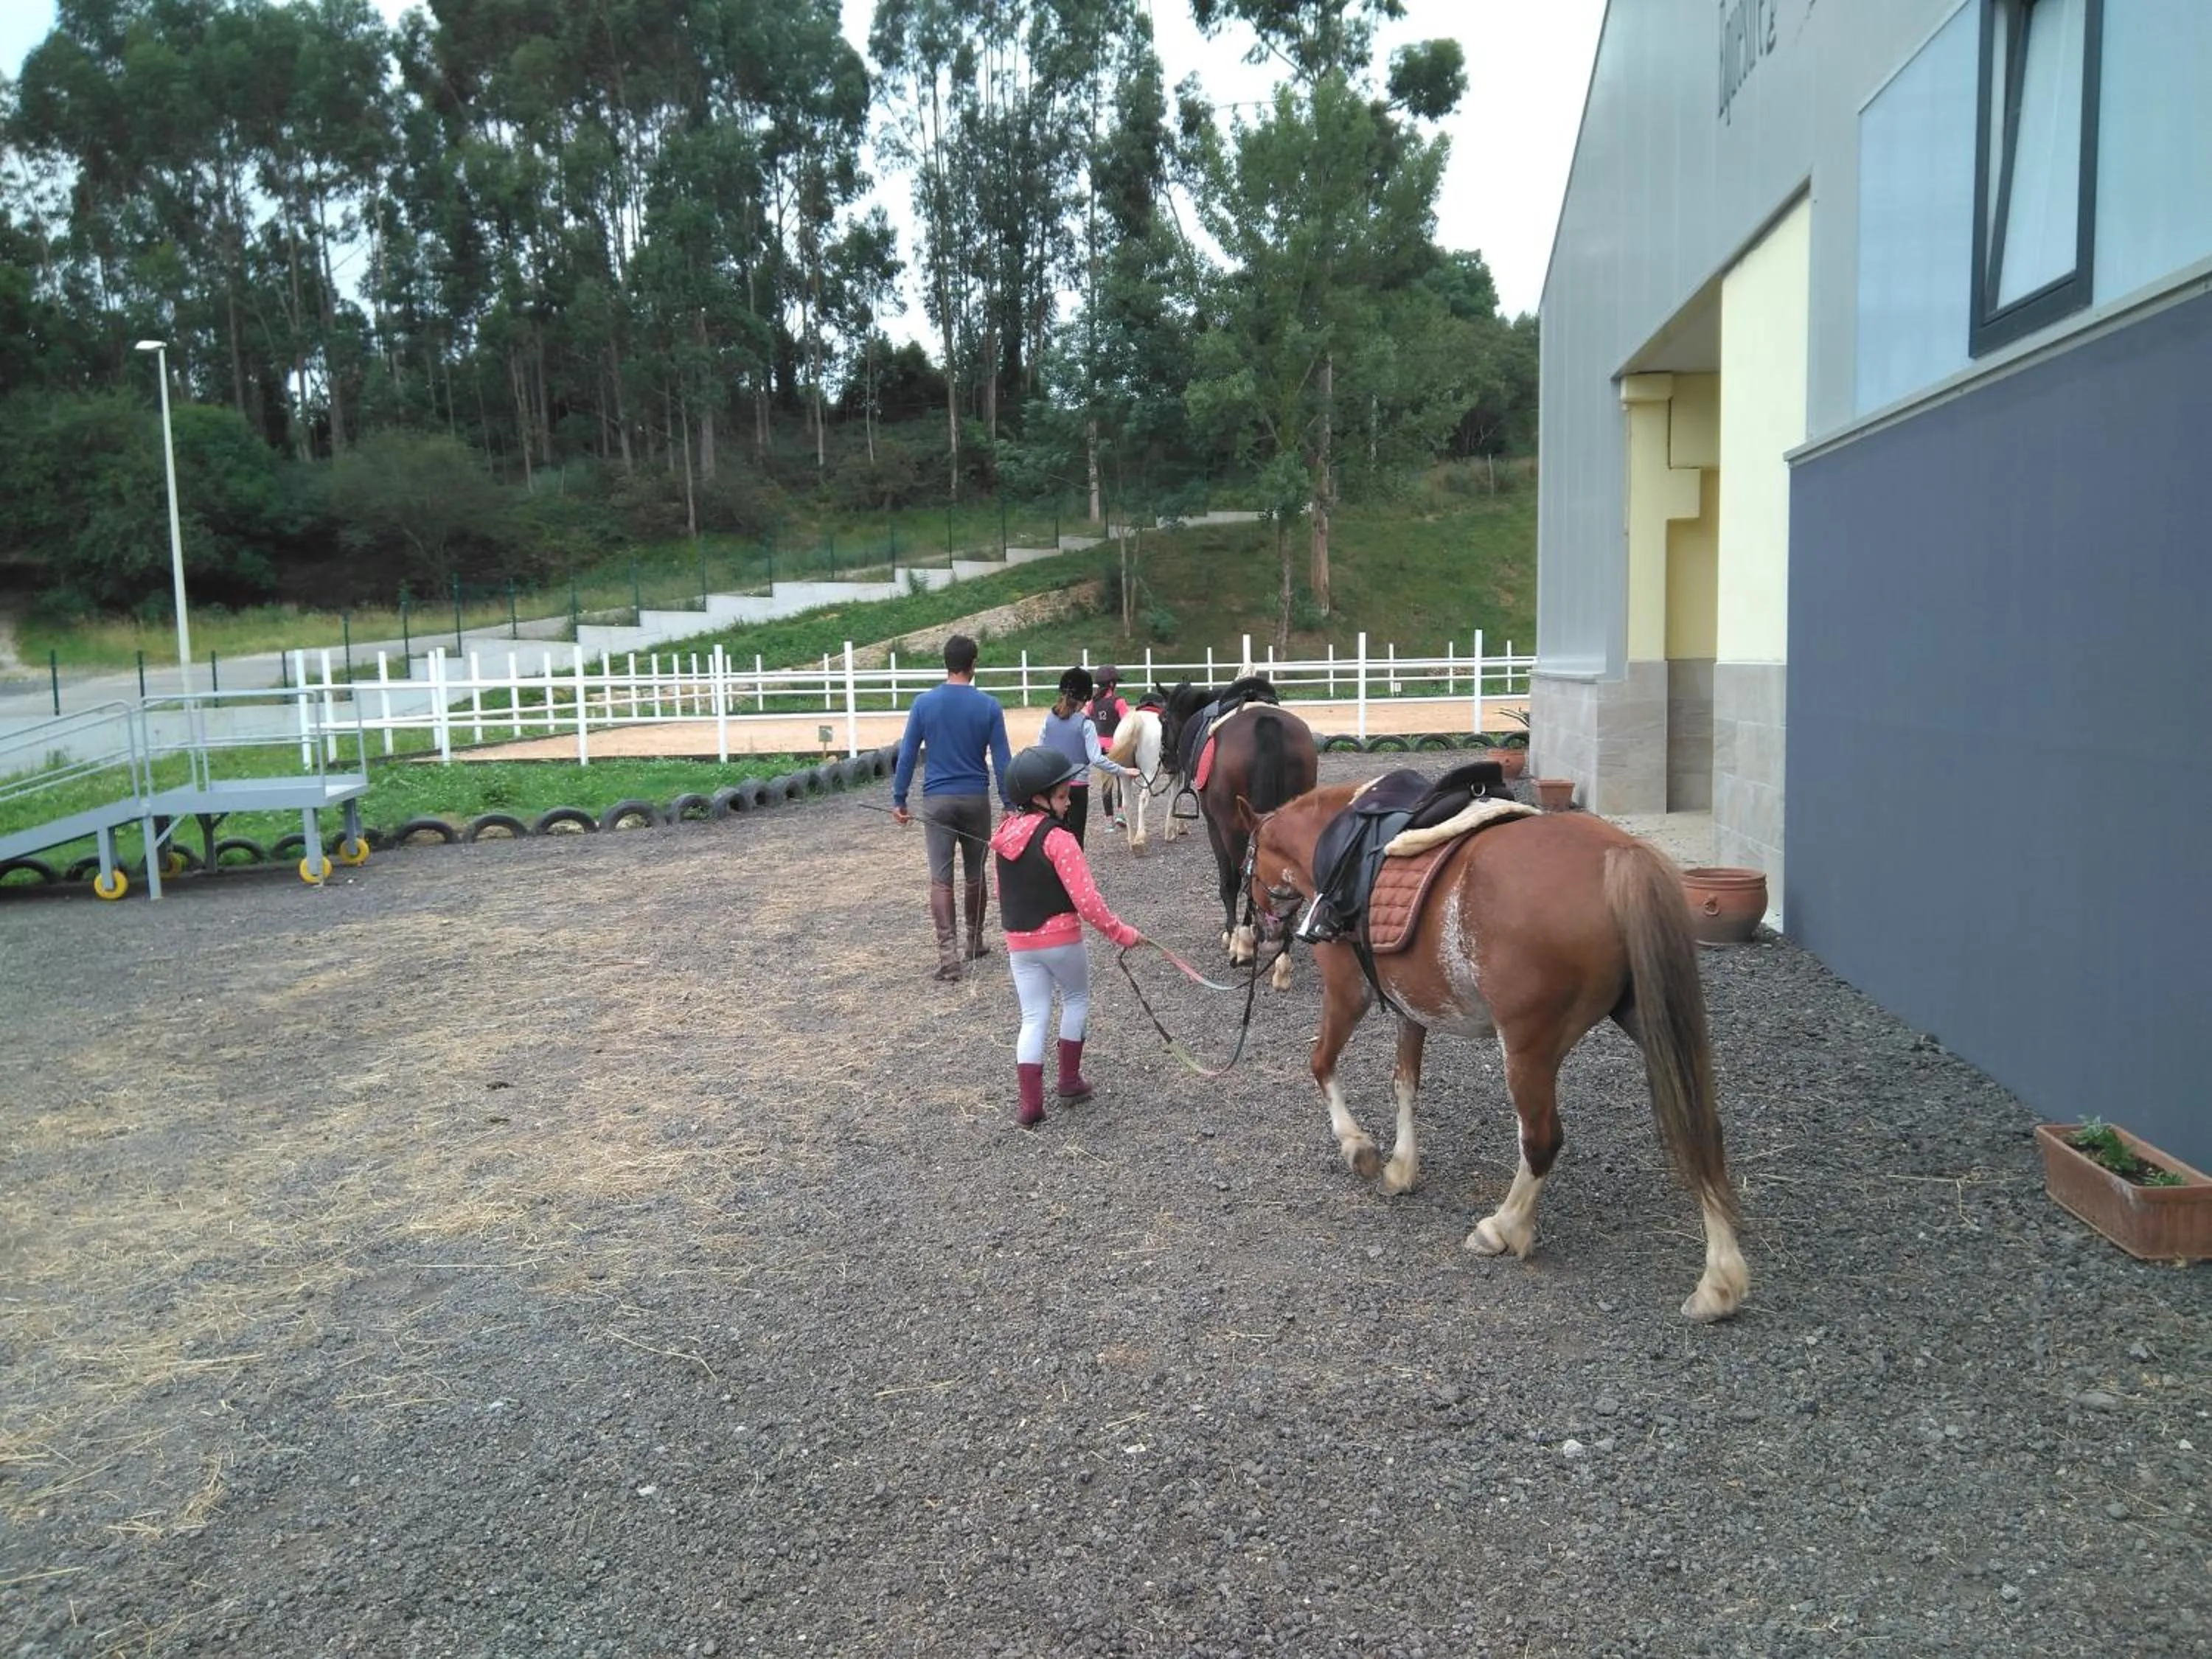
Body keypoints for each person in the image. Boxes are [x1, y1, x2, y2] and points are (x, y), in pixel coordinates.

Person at [991, 745, 1145, 1127]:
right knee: (1076, 998)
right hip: (1060, 939)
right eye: (1060, 796)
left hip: (1019, 943)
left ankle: (1030, 1105)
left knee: (1033, 1016)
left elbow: (999, 892)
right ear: (1039, 799)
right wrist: (1120, 932)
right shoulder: (1059, 838)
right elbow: (1088, 901)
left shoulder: (1003, 836)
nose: (1066, 803)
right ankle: (1069, 1081)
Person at [891, 634, 1013, 982]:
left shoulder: (923, 704)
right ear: (973, 664)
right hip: (975, 798)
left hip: (937, 800)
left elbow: (908, 754)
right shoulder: (989, 706)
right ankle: (974, 941)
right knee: (975, 872)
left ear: (946, 663)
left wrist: (899, 799)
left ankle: (948, 958)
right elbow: (1003, 760)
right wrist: (1009, 802)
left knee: (941, 879)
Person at [1037, 666, 1130, 847]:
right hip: (1077, 788)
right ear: (1084, 698)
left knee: (1053, 839)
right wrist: (1124, 770)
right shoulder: (1085, 724)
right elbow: (1096, 759)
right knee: (1076, 840)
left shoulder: (1048, 719)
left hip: (1053, 787)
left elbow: (1040, 750)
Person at [1087, 665, 1133, 829]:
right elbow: (1128, 723)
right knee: (1122, 779)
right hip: (1117, 747)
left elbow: (1087, 721)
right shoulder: (1119, 702)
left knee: (1106, 785)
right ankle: (1121, 814)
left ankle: (1109, 821)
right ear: (1112, 684)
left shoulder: (1092, 704)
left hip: (1101, 749)